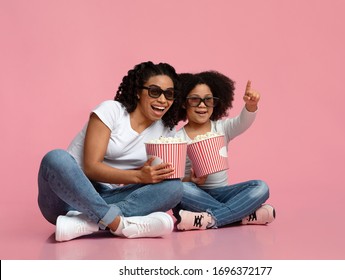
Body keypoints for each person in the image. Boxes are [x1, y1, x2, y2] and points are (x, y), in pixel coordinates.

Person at [38, 61, 184, 241]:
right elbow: (92, 168)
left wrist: (155, 174)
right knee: (56, 158)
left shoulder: (167, 130)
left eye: (169, 94)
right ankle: (118, 224)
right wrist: (139, 176)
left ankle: (87, 223)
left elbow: (157, 176)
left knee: (174, 187)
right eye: (155, 91)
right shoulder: (111, 111)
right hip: (67, 197)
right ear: (138, 92)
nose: (163, 100)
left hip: (109, 198)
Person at [173, 71, 275, 230]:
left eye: (208, 100)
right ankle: (242, 215)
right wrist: (191, 180)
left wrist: (251, 105)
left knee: (261, 187)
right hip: (196, 195)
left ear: (215, 102)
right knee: (180, 189)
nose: (202, 105)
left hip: (224, 192)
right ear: (183, 103)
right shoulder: (177, 139)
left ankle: (209, 219)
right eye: (195, 100)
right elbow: (178, 181)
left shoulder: (222, 128)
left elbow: (243, 121)